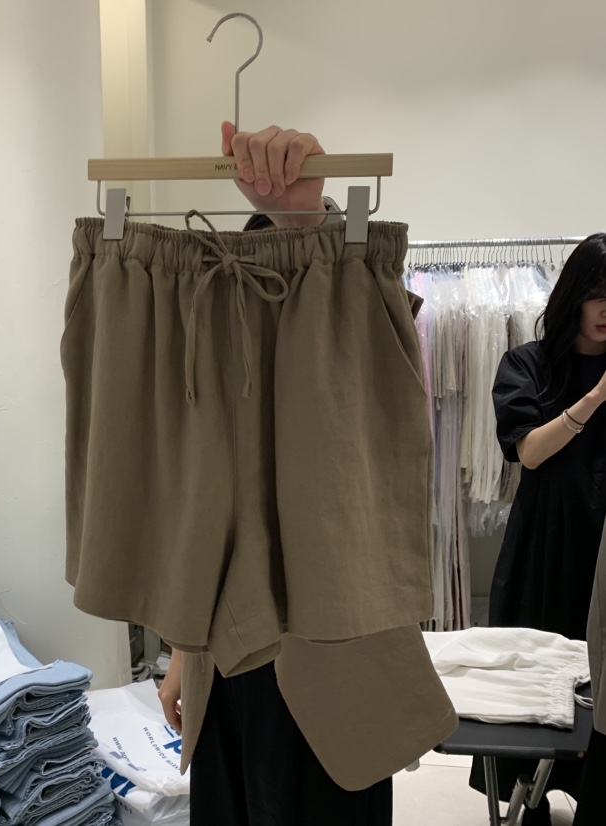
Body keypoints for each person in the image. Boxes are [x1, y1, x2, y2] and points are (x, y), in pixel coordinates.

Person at [157, 122, 458, 826]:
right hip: (225, 668)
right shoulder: (210, 341)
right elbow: (197, 512)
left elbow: (369, 448)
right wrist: (182, 651)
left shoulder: (351, 341)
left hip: (331, 670)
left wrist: (307, 220)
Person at [469, 234, 606, 824]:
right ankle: (532, 795)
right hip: (547, 539)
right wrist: (596, 397)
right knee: (534, 669)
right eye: (598, 295)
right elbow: (529, 452)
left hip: (604, 542)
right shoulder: (527, 363)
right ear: (574, 295)